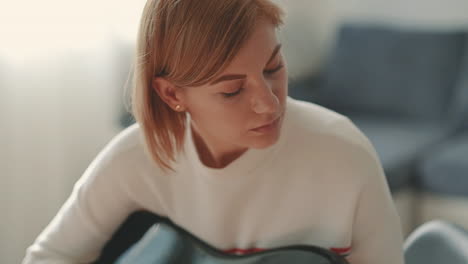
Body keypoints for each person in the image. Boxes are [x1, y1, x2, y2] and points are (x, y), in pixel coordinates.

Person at [22, 0, 405, 263]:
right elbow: (51, 256)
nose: (269, 103)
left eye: (273, 68)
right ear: (172, 94)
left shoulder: (343, 154)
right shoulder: (134, 160)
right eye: (232, 90)